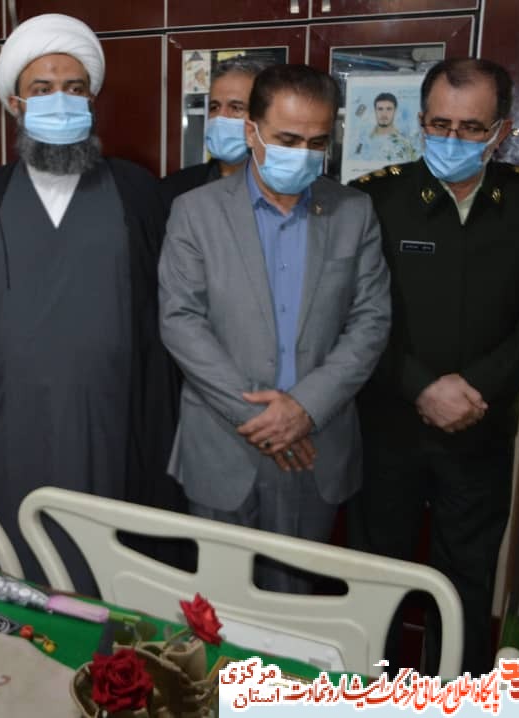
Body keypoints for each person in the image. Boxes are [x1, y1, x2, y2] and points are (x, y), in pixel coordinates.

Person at [0, 14, 179, 589]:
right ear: (15, 104)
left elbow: (164, 321)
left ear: (92, 101)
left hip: (114, 418)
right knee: (18, 569)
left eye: (74, 88)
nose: (61, 101)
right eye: (43, 88)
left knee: (109, 569)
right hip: (9, 424)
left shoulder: (136, 193)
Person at [347, 58, 519, 675]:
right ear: (420, 122)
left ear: (500, 131)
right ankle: (370, 697)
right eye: (440, 124)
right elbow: (352, 310)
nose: (453, 139)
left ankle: (454, 699)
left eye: (472, 128)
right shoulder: (374, 199)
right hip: (387, 430)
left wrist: (478, 384)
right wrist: (420, 386)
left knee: (466, 589)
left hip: (480, 432)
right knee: (377, 581)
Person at [159, 63, 391, 593]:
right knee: (216, 611)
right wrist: (261, 419)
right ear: (252, 132)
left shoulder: (354, 212)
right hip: (223, 445)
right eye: (288, 139)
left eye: (317, 142)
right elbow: (180, 321)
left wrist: (304, 408)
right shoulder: (194, 212)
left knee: (295, 607)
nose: (303, 154)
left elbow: (371, 320)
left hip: (315, 447)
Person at [160, 57, 266, 204]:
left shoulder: (280, 193)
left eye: (236, 108)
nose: (220, 117)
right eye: (214, 107)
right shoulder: (176, 191)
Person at [352, 92, 418, 164]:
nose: (384, 114)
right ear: (375, 111)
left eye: (389, 109)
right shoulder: (362, 141)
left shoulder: (405, 143)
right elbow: (354, 159)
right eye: (380, 109)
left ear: (395, 111)